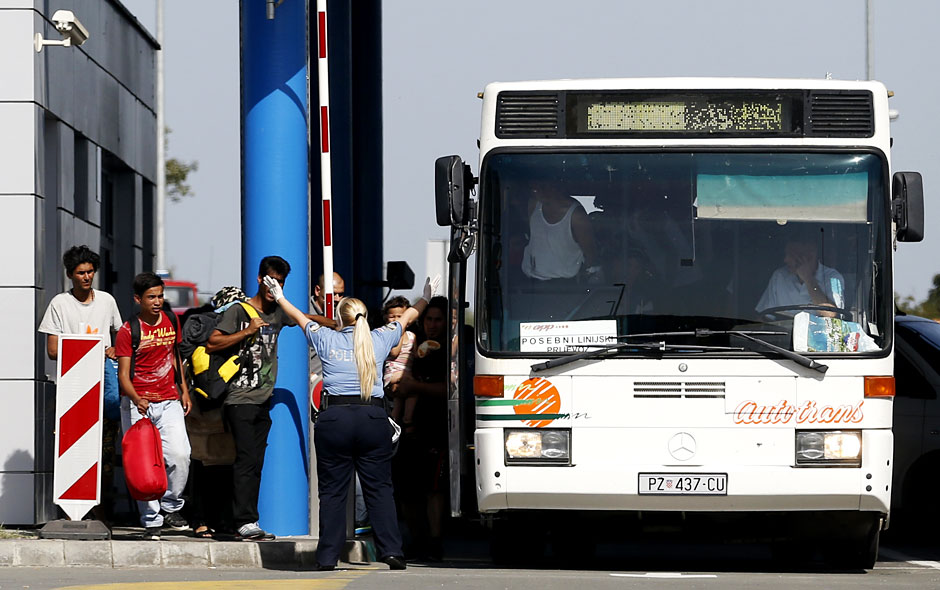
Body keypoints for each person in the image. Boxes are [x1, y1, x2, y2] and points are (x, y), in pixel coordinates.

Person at [265, 273, 440, 571]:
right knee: (379, 488)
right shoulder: (381, 337)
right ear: (365, 317)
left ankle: (327, 557)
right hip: (372, 417)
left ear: (339, 318)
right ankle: (392, 551)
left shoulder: (325, 337)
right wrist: (425, 296)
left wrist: (280, 296)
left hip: (334, 418)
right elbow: (409, 316)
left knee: (332, 492)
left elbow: (297, 316)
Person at [205, 256, 329, 540]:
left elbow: (304, 318)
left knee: (254, 461)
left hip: (263, 399)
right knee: (246, 459)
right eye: (272, 281)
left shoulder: (277, 313)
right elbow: (213, 343)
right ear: (260, 279)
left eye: (281, 283)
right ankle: (243, 520)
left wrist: (336, 325)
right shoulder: (239, 310)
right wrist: (247, 331)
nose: (276, 288)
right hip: (239, 398)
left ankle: (239, 520)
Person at [38, 245, 123, 524]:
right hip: (73, 386)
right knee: (72, 448)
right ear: (70, 275)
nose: (87, 277)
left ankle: (101, 510)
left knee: (105, 452)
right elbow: (52, 350)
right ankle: (72, 509)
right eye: (80, 273)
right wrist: (85, 349)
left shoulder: (107, 301)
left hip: (104, 383)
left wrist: (114, 350)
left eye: (90, 272)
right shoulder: (59, 304)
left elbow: (121, 338)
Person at [115, 272, 192, 540]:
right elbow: (123, 375)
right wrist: (137, 399)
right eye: (151, 297)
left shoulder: (171, 320)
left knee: (180, 455)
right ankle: (151, 522)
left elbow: (175, 357)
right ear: (138, 299)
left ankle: (170, 506)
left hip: (169, 400)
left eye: (160, 296)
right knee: (143, 466)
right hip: (138, 405)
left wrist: (184, 391)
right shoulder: (128, 330)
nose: (157, 301)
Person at [395, 296, 449, 561]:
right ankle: (417, 540)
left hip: (436, 427)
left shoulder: (451, 350)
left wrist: (415, 387)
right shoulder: (413, 345)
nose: (433, 325)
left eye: (438, 320)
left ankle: (435, 543)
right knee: (407, 491)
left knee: (434, 489)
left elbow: (450, 389)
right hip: (408, 428)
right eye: (429, 319)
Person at [521, 180, 600, 282]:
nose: (537, 191)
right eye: (534, 188)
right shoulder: (534, 204)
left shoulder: (577, 216)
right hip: (530, 282)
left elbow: (590, 254)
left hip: (563, 285)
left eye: (542, 186)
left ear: (555, 186)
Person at [756, 237, 845, 318]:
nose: (786, 259)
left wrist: (809, 280)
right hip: (782, 330)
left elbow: (832, 314)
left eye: (791, 255)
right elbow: (765, 316)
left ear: (810, 256)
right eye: (786, 254)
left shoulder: (832, 277)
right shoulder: (779, 276)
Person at [383, 296, 417, 426]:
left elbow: (416, 355)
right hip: (392, 374)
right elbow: (394, 353)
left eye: (400, 317)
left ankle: (404, 420)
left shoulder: (412, 336)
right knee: (410, 384)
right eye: (392, 317)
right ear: (386, 317)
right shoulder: (386, 334)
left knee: (409, 395)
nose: (396, 320)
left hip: (406, 374)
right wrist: (399, 332)